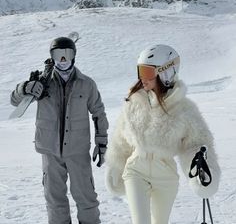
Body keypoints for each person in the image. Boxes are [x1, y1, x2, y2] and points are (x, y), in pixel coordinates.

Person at [105, 44, 220, 224]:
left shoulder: (184, 110)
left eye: (148, 72)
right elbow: (121, 138)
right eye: (140, 71)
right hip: (136, 169)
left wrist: (203, 170)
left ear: (166, 72)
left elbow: (198, 143)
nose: (143, 78)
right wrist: (116, 165)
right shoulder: (133, 102)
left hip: (165, 175)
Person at [10, 36, 109, 224]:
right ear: (51, 56)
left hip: (77, 151)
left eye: (67, 54)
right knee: (55, 200)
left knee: (86, 198)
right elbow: (14, 101)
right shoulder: (42, 83)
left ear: (74, 55)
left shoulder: (86, 84)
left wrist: (101, 142)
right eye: (58, 55)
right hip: (50, 151)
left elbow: (99, 113)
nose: (62, 60)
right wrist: (25, 88)